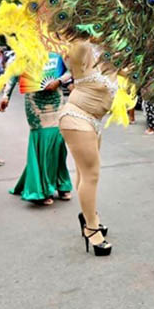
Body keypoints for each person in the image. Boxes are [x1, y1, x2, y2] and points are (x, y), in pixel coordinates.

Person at [58, 36, 119, 255]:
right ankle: (92, 229)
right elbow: (71, 34)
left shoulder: (109, 53)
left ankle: (89, 215)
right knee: (91, 175)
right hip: (77, 117)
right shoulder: (82, 49)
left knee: (85, 174)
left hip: (94, 121)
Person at [0, 51, 73, 204]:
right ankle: (43, 189)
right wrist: (5, 96)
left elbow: (70, 70)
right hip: (35, 104)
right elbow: (12, 76)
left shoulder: (57, 50)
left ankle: (62, 183)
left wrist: (59, 81)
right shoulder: (24, 52)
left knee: (58, 142)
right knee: (42, 142)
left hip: (56, 101)